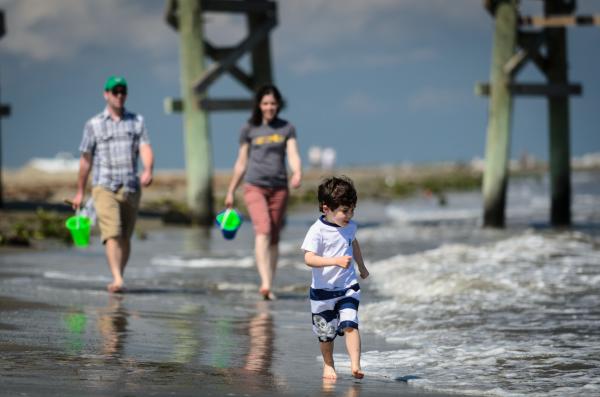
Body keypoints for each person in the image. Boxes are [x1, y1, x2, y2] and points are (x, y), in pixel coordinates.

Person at [71, 76, 154, 293]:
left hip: (131, 187)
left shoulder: (137, 121)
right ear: (106, 94)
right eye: (115, 91)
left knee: (125, 236)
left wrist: (148, 169)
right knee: (112, 232)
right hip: (103, 186)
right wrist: (80, 192)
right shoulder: (94, 124)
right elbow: (85, 160)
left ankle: (119, 274)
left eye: (122, 91)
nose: (119, 95)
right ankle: (117, 278)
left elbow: (145, 148)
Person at [224, 84, 302, 300]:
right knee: (264, 229)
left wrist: (297, 172)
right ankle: (265, 283)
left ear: (278, 105)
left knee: (274, 237)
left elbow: (293, 153)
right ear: (259, 105)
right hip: (254, 186)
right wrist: (231, 190)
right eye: (266, 103)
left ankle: (269, 282)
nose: (269, 107)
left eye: (273, 103)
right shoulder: (249, 129)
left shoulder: (287, 128)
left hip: (279, 187)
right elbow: (241, 162)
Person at [301, 176, 370, 380]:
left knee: (350, 324)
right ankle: (328, 364)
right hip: (322, 293)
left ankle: (355, 365)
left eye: (352, 210)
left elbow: (353, 243)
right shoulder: (317, 231)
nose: (349, 215)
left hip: (348, 287)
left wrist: (361, 266)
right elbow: (309, 258)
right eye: (344, 211)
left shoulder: (350, 226)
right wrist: (335, 261)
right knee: (326, 334)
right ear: (326, 209)